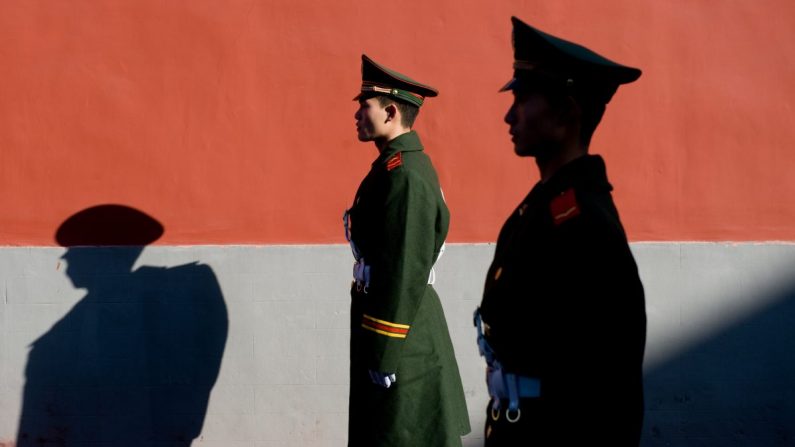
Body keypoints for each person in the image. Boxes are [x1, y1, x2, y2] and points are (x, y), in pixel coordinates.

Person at [475, 17, 647, 445]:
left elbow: (610, 389)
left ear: (567, 112)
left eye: (524, 98)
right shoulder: (544, 207)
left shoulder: (583, 223)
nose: (509, 114)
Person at [345, 54, 470, 446]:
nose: (356, 116)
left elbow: (405, 268)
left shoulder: (405, 175)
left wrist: (385, 348)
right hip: (393, 328)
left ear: (391, 111)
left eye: (364, 107)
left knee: (403, 435)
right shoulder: (392, 167)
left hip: (404, 337)